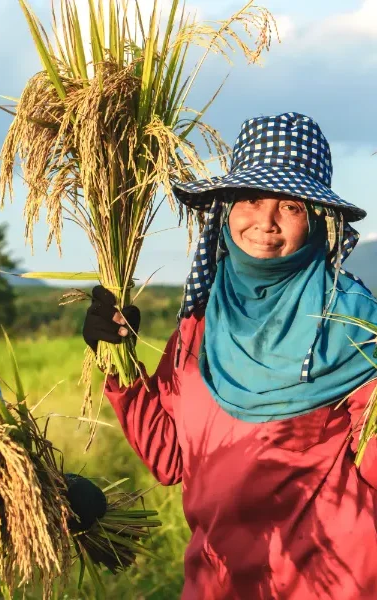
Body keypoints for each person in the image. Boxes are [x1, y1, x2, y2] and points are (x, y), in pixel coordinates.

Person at [83, 112, 377, 599]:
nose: (265, 221)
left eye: (291, 206)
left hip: (332, 581)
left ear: (318, 222)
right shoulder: (200, 325)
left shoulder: (351, 327)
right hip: (219, 579)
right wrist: (122, 364)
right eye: (252, 199)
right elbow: (171, 459)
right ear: (225, 210)